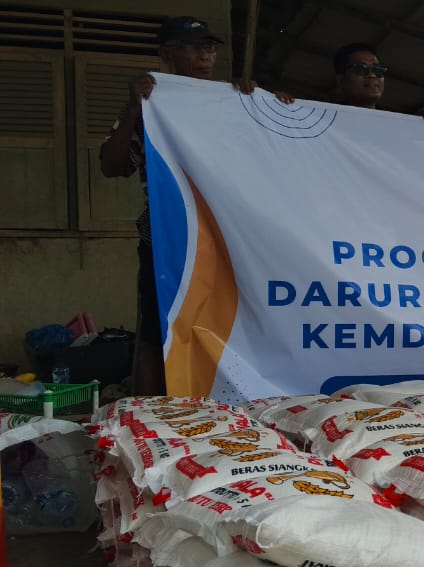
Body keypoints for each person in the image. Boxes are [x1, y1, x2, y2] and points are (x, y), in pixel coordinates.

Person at [99, 16, 289, 396]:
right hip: (169, 238)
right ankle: (156, 410)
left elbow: (276, 151)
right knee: (159, 328)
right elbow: (112, 166)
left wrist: (273, 105)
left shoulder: (233, 100)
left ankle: (228, 403)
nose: (206, 55)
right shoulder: (151, 103)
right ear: (167, 53)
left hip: (230, 237)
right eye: (194, 47)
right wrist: (134, 110)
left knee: (234, 322)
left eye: (210, 48)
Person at [332, 43, 385, 109]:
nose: (372, 75)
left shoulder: (392, 115)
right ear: (341, 80)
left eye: (377, 69)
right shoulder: (325, 114)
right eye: (361, 68)